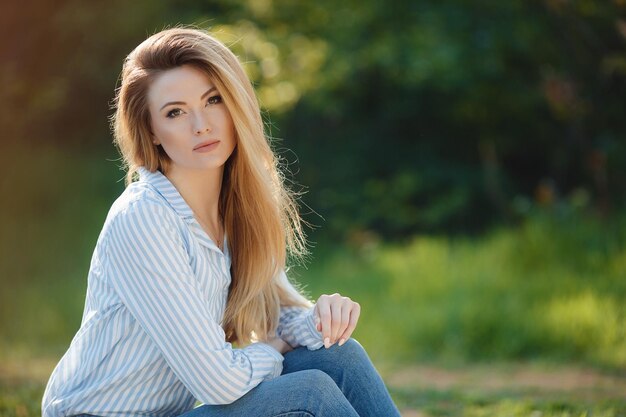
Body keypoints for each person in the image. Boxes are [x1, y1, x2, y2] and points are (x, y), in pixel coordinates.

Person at [41, 26, 401, 417]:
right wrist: (270, 350)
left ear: (235, 104)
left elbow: (274, 315)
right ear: (151, 131)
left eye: (213, 100)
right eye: (175, 112)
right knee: (309, 393)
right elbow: (218, 382)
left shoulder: (236, 209)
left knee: (340, 356)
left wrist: (320, 322)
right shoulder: (144, 218)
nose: (201, 125)